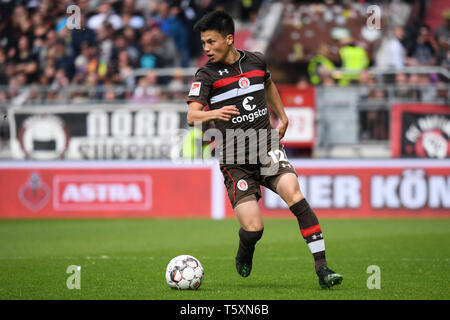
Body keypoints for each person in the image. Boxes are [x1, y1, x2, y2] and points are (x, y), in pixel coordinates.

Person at [186, 11, 343, 289]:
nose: (206, 49)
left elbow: (268, 83)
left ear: (229, 39)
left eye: (211, 42)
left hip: (267, 148)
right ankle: (245, 249)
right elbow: (191, 116)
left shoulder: (257, 61)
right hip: (235, 159)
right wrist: (215, 113)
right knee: (254, 228)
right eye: (203, 44)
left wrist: (282, 116)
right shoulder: (206, 75)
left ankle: (323, 269)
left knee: (295, 195)